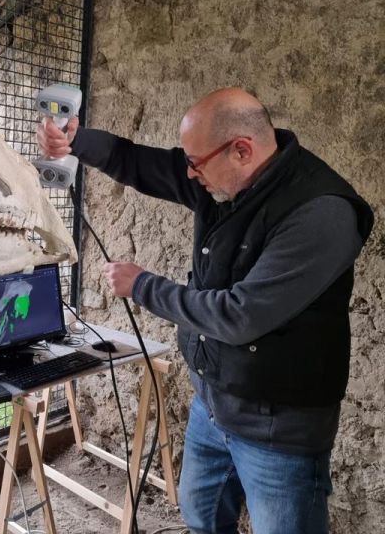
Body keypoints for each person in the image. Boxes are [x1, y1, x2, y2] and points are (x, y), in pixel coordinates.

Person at [37, 87, 373, 534]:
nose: (190, 175)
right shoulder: (227, 178)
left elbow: (239, 316)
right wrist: (78, 141)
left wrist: (143, 285)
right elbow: (143, 164)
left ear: (241, 150)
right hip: (213, 405)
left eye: (196, 164)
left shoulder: (321, 214)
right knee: (202, 517)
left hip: (279, 430)